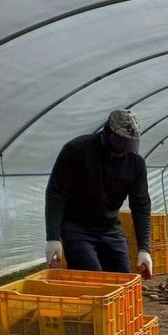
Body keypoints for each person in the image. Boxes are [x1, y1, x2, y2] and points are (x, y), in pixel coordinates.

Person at [45, 109, 153, 276]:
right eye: (119, 143)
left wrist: (144, 249)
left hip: (110, 229)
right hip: (77, 228)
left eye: (128, 145)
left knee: (122, 279)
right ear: (107, 132)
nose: (122, 150)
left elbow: (141, 206)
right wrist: (53, 237)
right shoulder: (76, 150)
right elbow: (56, 192)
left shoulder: (135, 163)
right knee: (94, 279)